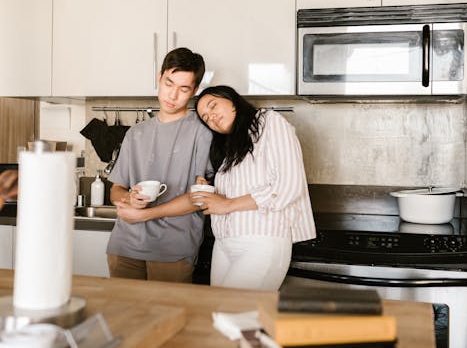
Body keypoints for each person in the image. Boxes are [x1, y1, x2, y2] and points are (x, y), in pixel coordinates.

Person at [191, 85, 316, 291]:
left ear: (231, 99)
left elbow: (288, 186)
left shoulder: (269, 123)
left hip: (262, 242)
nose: (211, 117)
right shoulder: (229, 146)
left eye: (213, 106)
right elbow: (241, 185)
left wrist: (228, 204)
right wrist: (208, 188)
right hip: (224, 244)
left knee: (232, 314)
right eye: (205, 118)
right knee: (220, 316)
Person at [107, 47, 213, 283]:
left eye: (183, 89)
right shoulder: (135, 133)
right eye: (168, 83)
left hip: (173, 250)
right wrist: (128, 200)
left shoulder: (202, 132)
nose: (172, 95)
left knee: (167, 317)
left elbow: (199, 198)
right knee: (123, 317)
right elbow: (116, 189)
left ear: (194, 90)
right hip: (123, 246)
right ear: (159, 77)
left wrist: (145, 215)